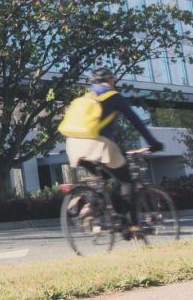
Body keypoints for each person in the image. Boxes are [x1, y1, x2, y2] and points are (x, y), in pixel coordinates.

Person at [65, 67, 164, 237]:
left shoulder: (85, 98)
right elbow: (136, 122)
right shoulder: (113, 96)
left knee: (103, 179)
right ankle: (133, 227)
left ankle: (91, 206)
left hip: (73, 145)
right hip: (98, 145)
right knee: (127, 181)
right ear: (110, 80)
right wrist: (153, 143)